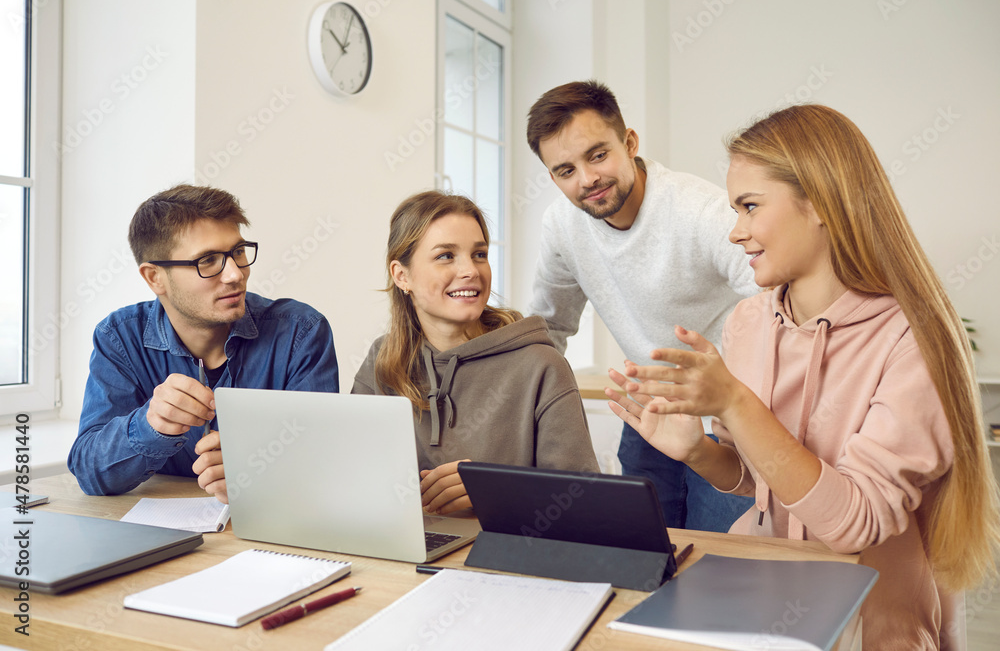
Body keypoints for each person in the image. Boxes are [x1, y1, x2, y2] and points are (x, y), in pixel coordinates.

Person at [607, 104, 1000, 649]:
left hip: (868, 621)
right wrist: (698, 453)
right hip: (759, 595)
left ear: (819, 201)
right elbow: (759, 481)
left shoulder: (913, 339)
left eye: (749, 207)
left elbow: (854, 524)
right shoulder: (749, 321)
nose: (735, 233)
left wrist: (737, 403)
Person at [526, 80, 758, 531]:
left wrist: (740, 389)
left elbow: (775, 301)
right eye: (565, 170)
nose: (587, 179)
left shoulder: (699, 210)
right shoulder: (561, 226)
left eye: (597, 155)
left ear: (629, 142)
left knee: (725, 564)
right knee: (646, 556)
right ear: (553, 177)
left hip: (726, 420)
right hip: (647, 415)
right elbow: (547, 328)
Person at [69, 185, 339, 502]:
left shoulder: (300, 333)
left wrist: (264, 469)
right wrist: (151, 425)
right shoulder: (120, 338)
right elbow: (89, 471)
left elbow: (327, 465)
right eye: (208, 260)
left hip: (267, 536)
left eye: (238, 252)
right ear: (154, 277)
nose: (235, 274)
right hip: (164, 536)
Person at [352, 191, 599, 514]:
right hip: (405, 555)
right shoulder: (381, 361)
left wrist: (498, 491)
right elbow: (351, 480)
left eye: (479, 254)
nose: (471, 270)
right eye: (446, 256)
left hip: (505, 557)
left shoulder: (541, 366)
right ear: (402, 275)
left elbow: (585, 503)